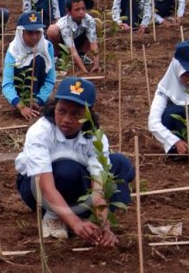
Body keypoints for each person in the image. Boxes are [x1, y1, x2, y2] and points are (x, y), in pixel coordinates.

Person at [15, 77, 135, 243]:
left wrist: (103, 226)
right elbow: (46, 186)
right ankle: (55, 217)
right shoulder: (40, 132)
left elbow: (98, 188)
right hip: (37, 188)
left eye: (76, 114)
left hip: (75, 184)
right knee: (67, 169)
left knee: (121, 164)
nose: (66, 119)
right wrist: (76, 224)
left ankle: (87, 218)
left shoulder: (95, 137)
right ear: (53, 107)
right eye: (61, 111)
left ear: (88, 115)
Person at [1, 12, 57, 119]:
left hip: (40, 94)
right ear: (21, 33)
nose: (35, 37)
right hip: (19, 95)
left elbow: (50, 79)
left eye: (38, 33)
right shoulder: (13, 50)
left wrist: (39, 100)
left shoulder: (46, 47)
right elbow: (7, 84)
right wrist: (21, 106)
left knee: (39, 59)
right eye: (30, 33)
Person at [47, 0, 100, 74]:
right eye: (77, 10)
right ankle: (57, 57)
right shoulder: (65, 24)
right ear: (69, 11)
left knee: (96, 25)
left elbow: (93, 44)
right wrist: (84, 71)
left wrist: (96, 64)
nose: (81, 12)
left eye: (83, 8)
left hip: (78, 41)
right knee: (52, 30)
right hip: (63, 44)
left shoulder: (89, 20)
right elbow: (72, 50)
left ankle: (81, 55)